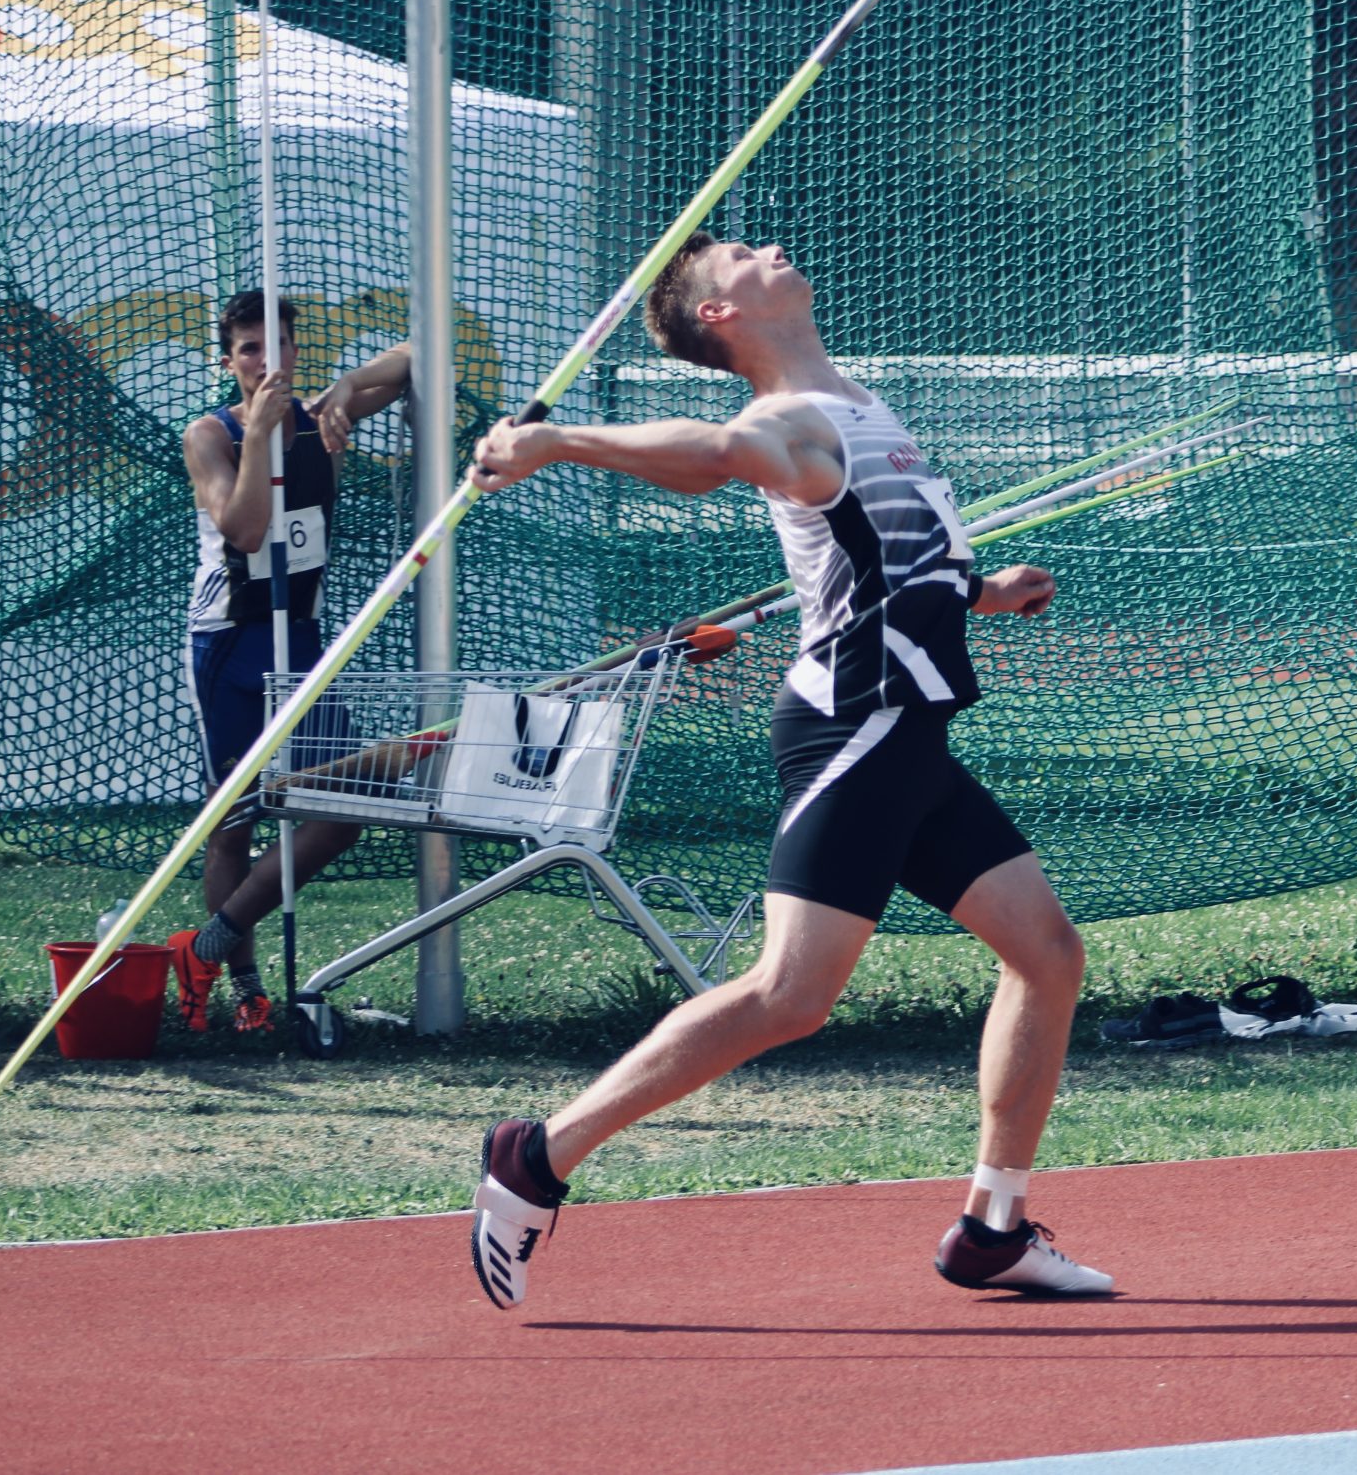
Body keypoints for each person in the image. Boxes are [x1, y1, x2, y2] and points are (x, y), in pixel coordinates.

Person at [460, 233, 1111, 1308]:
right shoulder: (785, 421)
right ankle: (536, 1155)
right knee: (789, 995)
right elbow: (720, 454)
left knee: (1046, 955)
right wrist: (561, 442)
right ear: (720, 315)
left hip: (909, 733)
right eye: (736, 254)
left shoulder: (856, 408)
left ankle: (992, 1229)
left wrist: (982, 590)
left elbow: (889, 557)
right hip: (856, 727)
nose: (766, 246)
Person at [166, 291, 409, 1033]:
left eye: (277, 345)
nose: (265, 361)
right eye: (249, 349)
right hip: (230, 638)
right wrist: (261, 436)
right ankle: (244, 991)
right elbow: (242, 530)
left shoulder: (320, 415)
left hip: (299, 636)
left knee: (347, 804)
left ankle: (206, 944)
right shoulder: (209, 434)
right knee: (232, 819)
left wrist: (346, 386)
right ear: (228, 361)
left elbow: (420, 358)